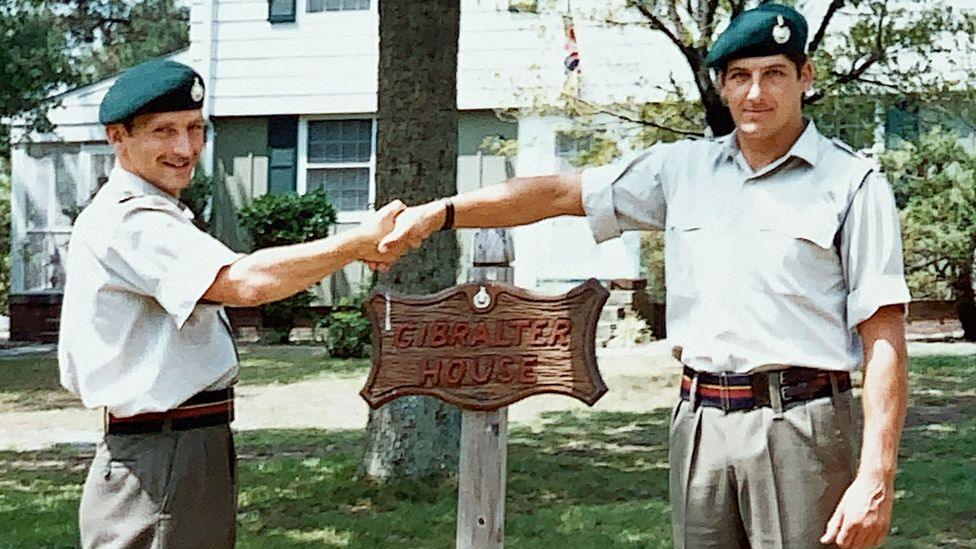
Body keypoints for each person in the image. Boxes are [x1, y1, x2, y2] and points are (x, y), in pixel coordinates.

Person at [376, 4, 910, 548]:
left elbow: (884, 335)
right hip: (699, 425)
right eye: (740, 76)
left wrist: (876, 475)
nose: (756, 93)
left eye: (774, 73)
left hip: (802, 426)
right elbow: (559, 193)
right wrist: (439, 213)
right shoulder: (682, 171)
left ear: (805, 76)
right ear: (723, 86)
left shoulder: (852, 183)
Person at [58, 59, 402, 548]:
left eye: (195, 129)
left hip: (183, 444)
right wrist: (355, 244)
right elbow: (246, 283)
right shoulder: (130, 221)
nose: (185, 148)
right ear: (118, 136)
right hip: (159, 456)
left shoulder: (159, 212)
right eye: (164, 131)